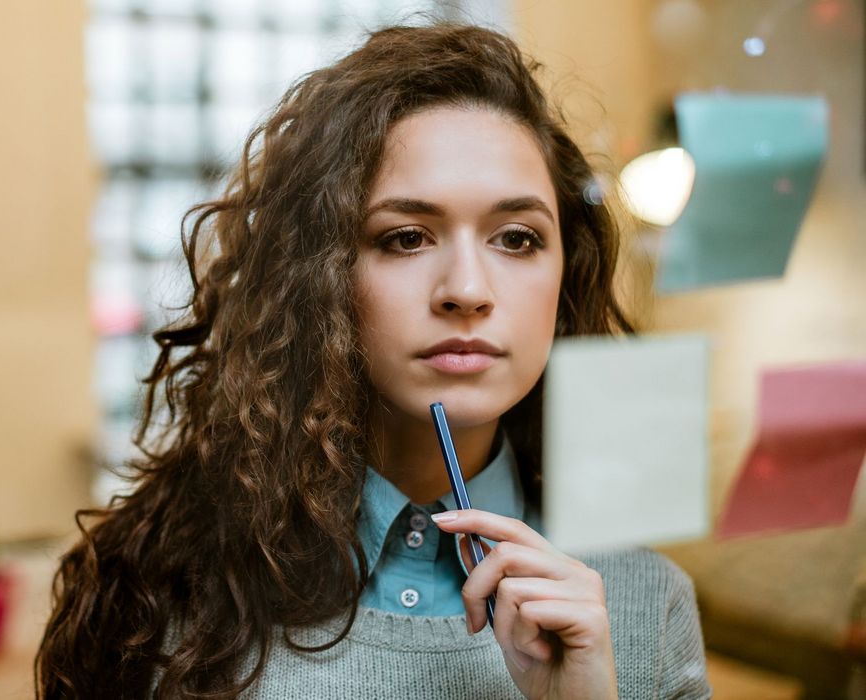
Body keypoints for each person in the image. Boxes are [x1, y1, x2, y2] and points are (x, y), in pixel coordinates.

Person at [37, 22, 710, 700]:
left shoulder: (644, 610)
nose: (468, 291)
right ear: (320, 277)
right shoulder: (168, 598)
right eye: (407, 238)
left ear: (567, 273)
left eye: (515, 238)